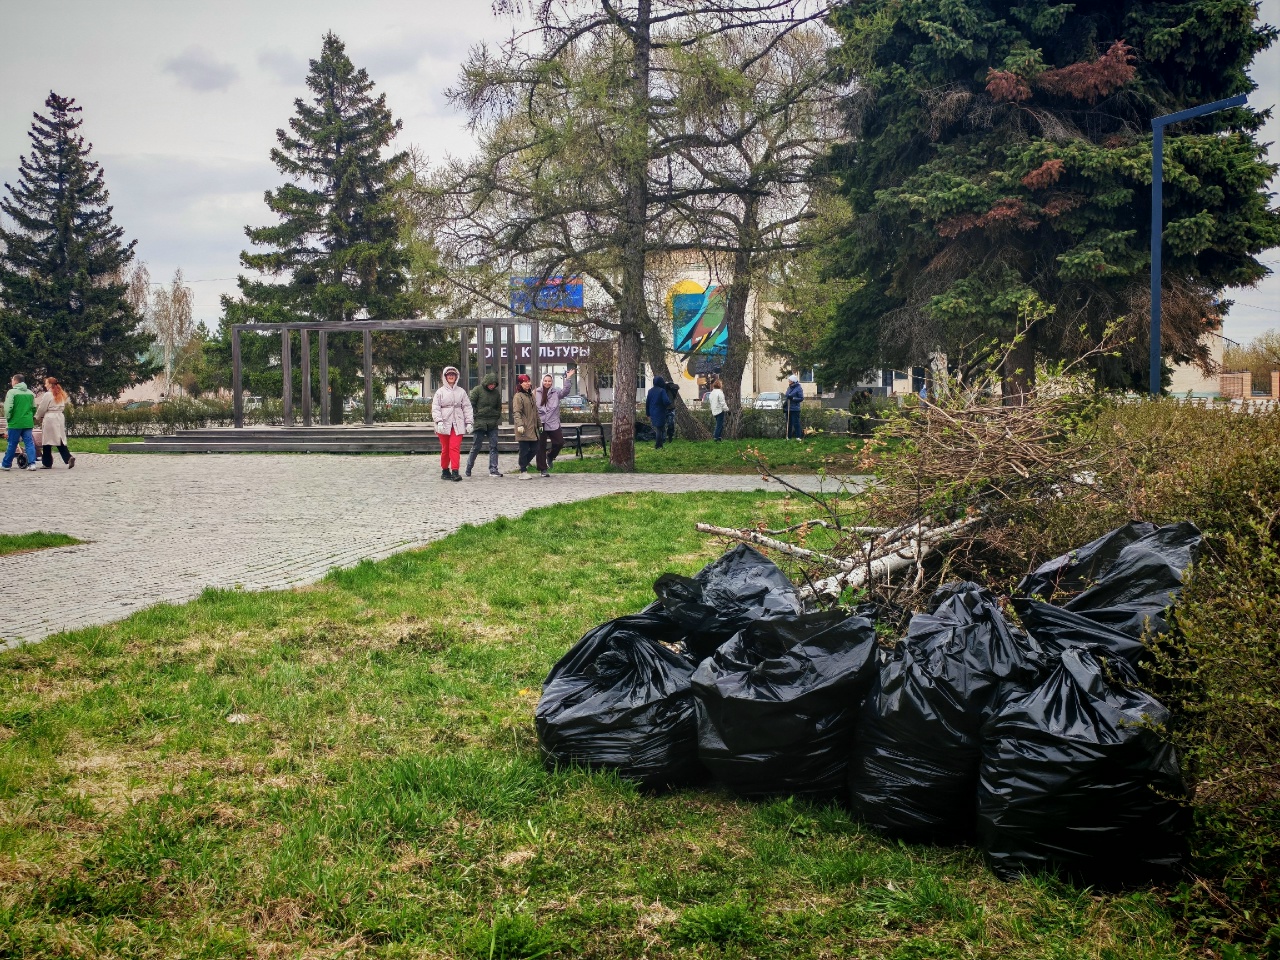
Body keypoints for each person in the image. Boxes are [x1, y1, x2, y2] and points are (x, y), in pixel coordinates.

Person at [432, 366, 473, 482]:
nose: (451, 376)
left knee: (454, 447)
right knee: (445, 448)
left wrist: (469, 422)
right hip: (444, 424)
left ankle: (455, 471)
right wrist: (439, 421)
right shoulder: (440, 392)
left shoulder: (461, 392)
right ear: (445, 377)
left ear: (456, 376)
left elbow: (467, 407)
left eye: (453, 375)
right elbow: (435, 408)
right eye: (449, 374)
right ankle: (445, 470)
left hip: (458, 423)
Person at [465, 372, 503, 478]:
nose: (492, 386)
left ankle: (493, 469)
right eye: (490, 384)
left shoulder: (496, 393)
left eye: (494, 384)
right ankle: (469, 467)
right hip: (480, 422)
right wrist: (476, 415)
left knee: (494, 446)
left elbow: (498, 407)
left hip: (492, 423)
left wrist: (496, 415)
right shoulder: (477, 390)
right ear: (486, 382)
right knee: (476, 447)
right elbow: (470, 405)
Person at [535, 370, 572, 477]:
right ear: (542, 381)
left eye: (549, 381)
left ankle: (550, 456)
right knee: (540, 446)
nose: (547, 383)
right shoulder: (536, 392)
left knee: (559, 442)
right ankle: (543, 469)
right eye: (545, 381)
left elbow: (565, 391)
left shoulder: (556, 392)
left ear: (552, 382)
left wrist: (568, 378)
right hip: (540, 422)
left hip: (553, 422)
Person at [2, 374, 40, 472]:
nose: (11, 382)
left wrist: (8, 418)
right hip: (27, 422)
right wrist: (29, 417)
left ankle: (6, 464)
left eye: (12, 380)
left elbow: (8, 408)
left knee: (12, 443)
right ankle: (32, 464)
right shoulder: (30, 393)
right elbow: (34, 408)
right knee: (29, 443)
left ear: (16, 381)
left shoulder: (12, 392)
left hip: (15, 422)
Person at [35, 377, 74, 469]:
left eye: (46, 383)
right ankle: (68, 457)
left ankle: (47, 463)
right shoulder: (61, 394)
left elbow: (42, 407)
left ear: (50, 384)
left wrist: (37, 416)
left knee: (47, 440)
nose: (45, 385)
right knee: (59, 438)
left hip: (50, 417)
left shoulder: (48, 394)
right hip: (59, 416)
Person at [512, 373, 540, 479]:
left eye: (528, 381)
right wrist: (519, 424)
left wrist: (539, 424)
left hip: (532, 427)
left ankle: (523, 464)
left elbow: (535, 411)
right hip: (523, 427)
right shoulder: (518, 396)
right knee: (524, 450)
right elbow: (517, 412)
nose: (528, 383)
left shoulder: (531, 395)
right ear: (520, 383)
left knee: (535, 448)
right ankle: (523, 470)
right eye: (525, 382)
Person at [645, 375, 673, 449]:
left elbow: (647, 403)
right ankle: (658, 445)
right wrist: (670, 403)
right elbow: (666, 401)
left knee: (659, 428)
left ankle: (661, 444)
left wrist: (647, 413)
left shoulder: (650, 391)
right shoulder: (662, 391)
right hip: (660, 411)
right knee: (659, 429)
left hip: (652, 412)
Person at [784, 373, 805, 441]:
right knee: (788, 423)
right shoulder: (789, 387)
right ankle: (788, 437)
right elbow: (787, 395)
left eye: (789, 380)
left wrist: (793, 398)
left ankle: (798, 437)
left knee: (796, 423)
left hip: (795, 409)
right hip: (788, 408)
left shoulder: (798, 388)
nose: (788, 381)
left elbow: (801, 398)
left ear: (793, 381)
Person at [706, 377, 727, 441]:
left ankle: (719, 437)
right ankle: (716, 437)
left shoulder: (711, 393)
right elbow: (722, 402)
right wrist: (727, 410)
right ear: (720, 385)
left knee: (720, 425)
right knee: (719, 425)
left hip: (714, 411)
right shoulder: (720, 392)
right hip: (720, 411)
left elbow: (711, 402)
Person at [663, 376, 680, 442]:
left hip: (671, 408)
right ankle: (664, 437)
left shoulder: (672, 389)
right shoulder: (663, 389)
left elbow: (677, 386)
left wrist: (668, 384)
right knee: (664, 424)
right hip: (665, 408)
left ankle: (670, 436)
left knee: (671, 424)